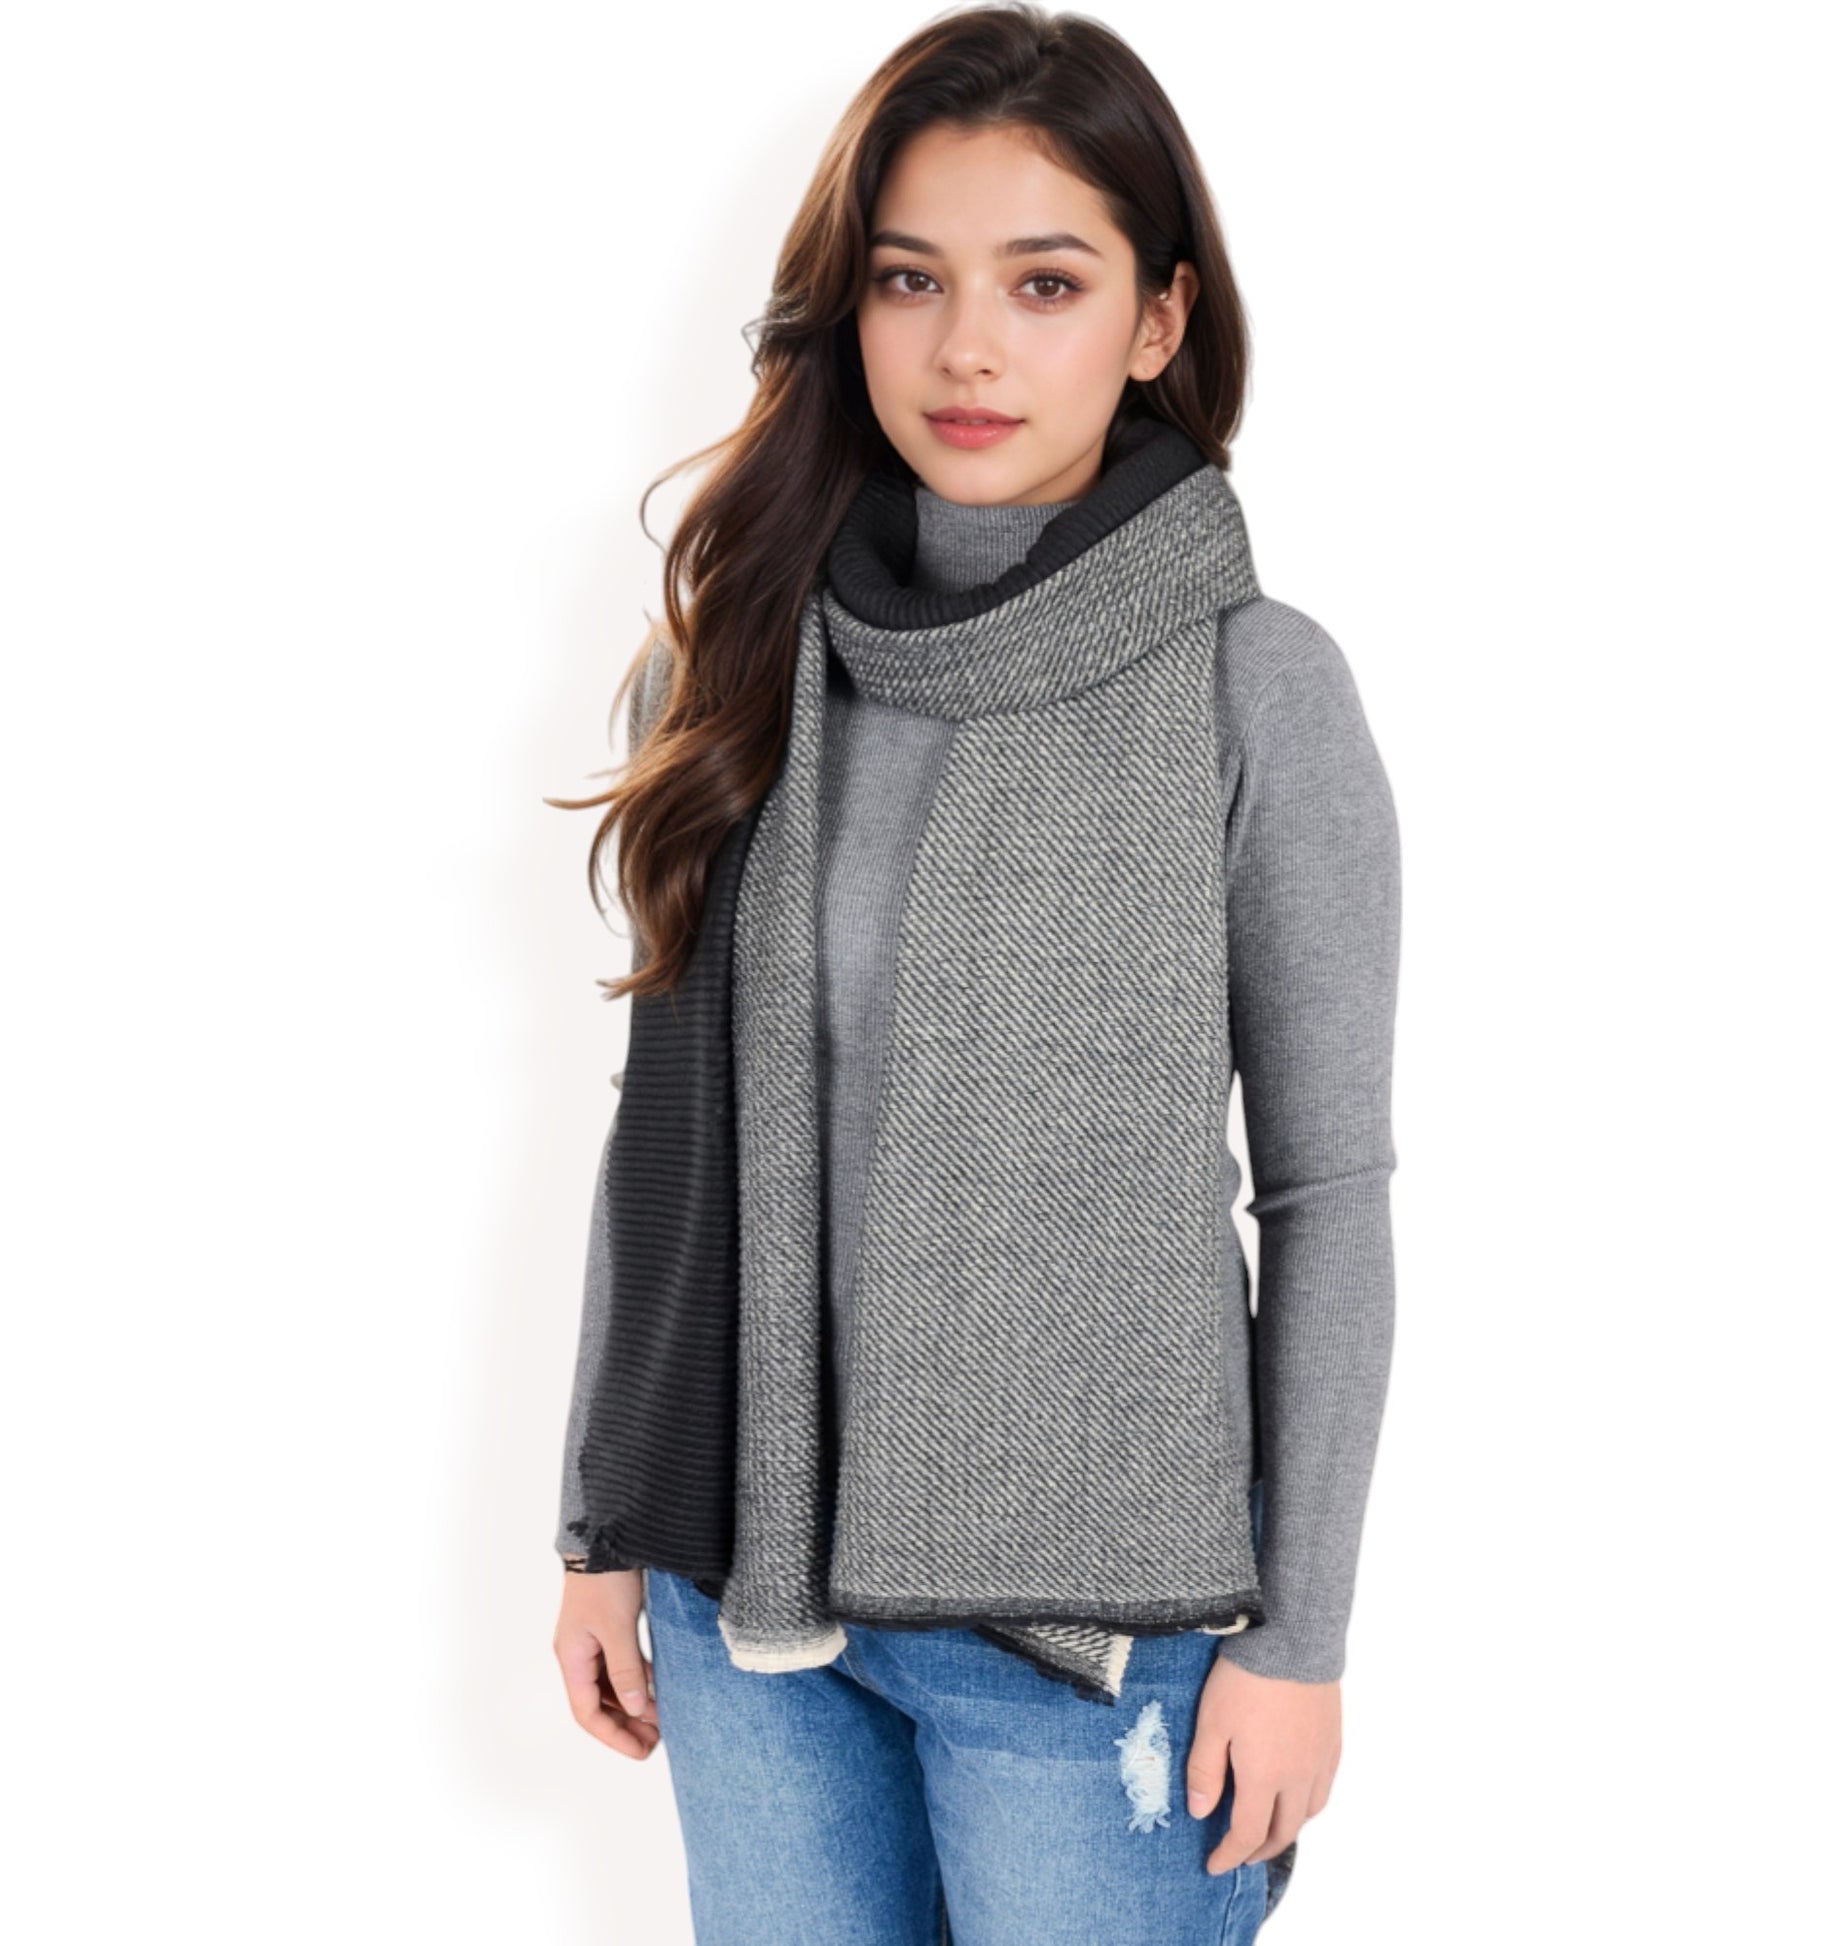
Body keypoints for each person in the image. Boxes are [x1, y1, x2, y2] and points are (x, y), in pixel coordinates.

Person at [545, 8, 1401, 1941]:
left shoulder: (1254, 688)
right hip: (748, 1596)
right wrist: (603, 1521)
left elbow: (1327, 1194)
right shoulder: (733, 663)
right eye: (909, 279)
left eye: (1047, 282)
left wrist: (1300, 1639)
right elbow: (661, 1139)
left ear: (1159, 321)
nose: (969, 349)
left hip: (1095, 1648)